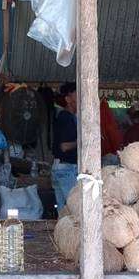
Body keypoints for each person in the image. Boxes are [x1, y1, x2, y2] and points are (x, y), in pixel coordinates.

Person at [52, 82, 78, 211]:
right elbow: (64, 146)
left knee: (64, 213)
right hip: (66, 169)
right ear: (68, 99)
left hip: (62, 168)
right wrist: (82, 142)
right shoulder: (65, 117)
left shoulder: (71, 117)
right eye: (77, 95)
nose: (80, 99)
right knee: (74, 209)